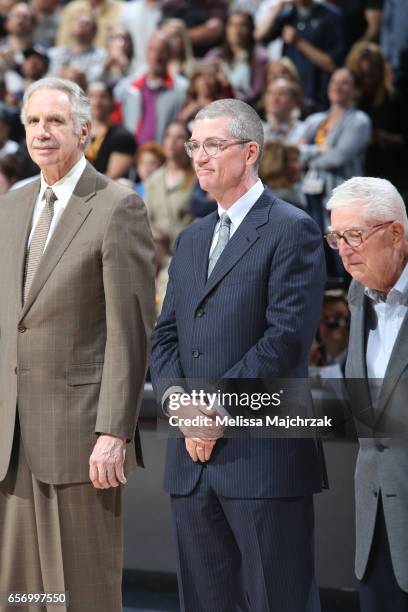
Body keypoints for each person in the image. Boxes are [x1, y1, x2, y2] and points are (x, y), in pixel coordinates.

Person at [150, 98, 327, 612]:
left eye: (213, 145)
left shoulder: (292, 228)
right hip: (191, 459)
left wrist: (213, 410)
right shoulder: (190, 238)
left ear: (250, 152)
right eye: (193, 145)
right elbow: (165, 338)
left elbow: (285, 338)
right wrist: (182, 409)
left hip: (262, 456)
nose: (199, 157)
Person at [0, 77, 155, 612]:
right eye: (34, 122)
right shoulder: (12, 206)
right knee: (19, 596)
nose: (43, 132)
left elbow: (130, 331)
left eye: (56, 121)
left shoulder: (117, 207)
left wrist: (114, 431)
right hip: (10, 437)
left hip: (82, 442)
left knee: (80, 595)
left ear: (84, 131)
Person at [325, 176, 408, 612]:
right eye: (337, 237)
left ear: (395, 233)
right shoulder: (357, 294)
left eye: (354, 235)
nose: (344, 249)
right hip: (375, 523)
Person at [255, 0, 345, 111]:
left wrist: (299, 42)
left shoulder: (330, 15)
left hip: (318, 95)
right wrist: (279, 6)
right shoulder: (289, 15)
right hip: (291, 97)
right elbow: (259, 36)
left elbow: (333, 64)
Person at [119, 32, 187, 144]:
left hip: (165, 154)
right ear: (146, 52)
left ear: (170, 54)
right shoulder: (130, 86)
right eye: (152, 50)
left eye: (162, 51)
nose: (156, 56)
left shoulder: (181, 88)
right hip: (133, 154)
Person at [144, 121, 195, 246]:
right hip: (158, 251)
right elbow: (145, 219)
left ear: (188, 145)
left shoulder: (197, 179)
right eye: (168, 136)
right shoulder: (153, 180)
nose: (172, 141)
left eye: (179, 137)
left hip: (188, 247)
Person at [205, 10, 268, 105]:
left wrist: (230, 93)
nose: (236, 30)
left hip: (247, 108)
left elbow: (256, 92)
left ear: (251, 29)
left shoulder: (260, 57)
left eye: (242, 25)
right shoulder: (214, 55)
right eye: (232, 25)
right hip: (216, 106)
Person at [86, 80, 136, 178]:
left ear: (112, 102)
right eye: (92, 96)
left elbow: (112, 177)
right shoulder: (76, 133)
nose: (97, 102)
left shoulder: (122, 137)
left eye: (103, 97)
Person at [262, 76, 304, 143]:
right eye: (271, 93)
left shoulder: (303, 132)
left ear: (294, 101)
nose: (274, 99)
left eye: (281, 94)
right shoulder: (259, 133)